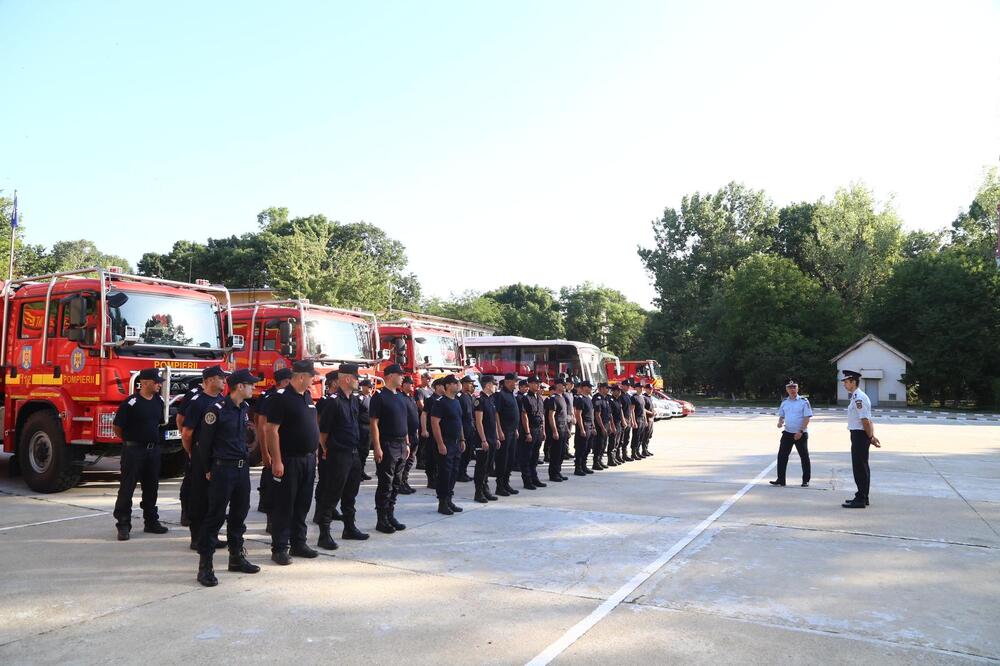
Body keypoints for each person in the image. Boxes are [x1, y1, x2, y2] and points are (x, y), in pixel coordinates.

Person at [196, 369, 262, 587]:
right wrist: (207, 468)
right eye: (251, 384)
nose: (254, 387)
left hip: (241, 470)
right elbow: (204, 444)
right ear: (240, 387)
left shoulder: (244, 408)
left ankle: (236, 557)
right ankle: (205, 566)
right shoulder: (216, 410)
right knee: (214, 517)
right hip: (222, 469)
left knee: (239, 515)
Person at [265, 360, 321, 565]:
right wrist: (277, 461)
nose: (313, 379)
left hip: (307, 459)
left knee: (303, 503)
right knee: (285, 505)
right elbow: (271, 431)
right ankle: (279, 547)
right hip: (289, 460)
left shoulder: (306, 396)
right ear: (300, 376)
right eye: (311, 376)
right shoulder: (281, 398)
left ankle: (299, 542)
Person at [316, 363, 370, 549]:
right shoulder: (333, 401)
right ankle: (324, 534)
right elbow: (323, 432)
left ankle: (349, 527)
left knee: (350, 494)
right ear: (347, 378)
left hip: (353, 453)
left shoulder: (353, 400)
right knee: (332, 494)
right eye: (356, 378)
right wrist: (325, 450)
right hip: (338, 454)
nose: (358, 382)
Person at [112, 368, 169, 541]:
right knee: (127, 488)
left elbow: (157, 424)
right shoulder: (131, 403)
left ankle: (151, 521)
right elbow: (117, 427)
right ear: (144, 383)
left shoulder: (158, 401)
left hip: (153, 451)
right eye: (156, 381)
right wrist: (132, 442)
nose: (159, 384)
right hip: (133, 451)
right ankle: (123, 524)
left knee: (151, 488)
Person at [181, 365, 228, 550]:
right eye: (220, 378)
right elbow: (187, 433)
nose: (224, 381)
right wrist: (192, 453)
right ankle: (197, 537)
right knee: (199, 497)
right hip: (201, 455)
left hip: (217, 455)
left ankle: (211, 535)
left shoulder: (222, 401)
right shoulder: (198, 402)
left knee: (214, 497)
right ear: (209, 380)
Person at [370, 364, 410, 534]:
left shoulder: (400, 396)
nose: (402, 378)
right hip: (387, 444)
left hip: (401, 444)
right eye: (399, 375)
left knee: (396, 483)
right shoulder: (379, 397)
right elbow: (374, 423)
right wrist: (377, 447)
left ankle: (390, 514)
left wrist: (407, 443)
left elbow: (404, 421)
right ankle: (381, 519)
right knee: (385, 483)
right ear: (390, 376)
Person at [255, 367, 292, 534]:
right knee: (272, 488)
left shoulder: (288, 397)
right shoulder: (270, 397)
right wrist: (265, 452)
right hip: (274, 450)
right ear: (284, 382)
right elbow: (262, 427)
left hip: (286, 450)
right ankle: (271, 521)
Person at [841, 370, 881, 508]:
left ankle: (861, 499)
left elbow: (865, 420)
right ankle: (863, 496)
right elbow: (869, 419)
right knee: (862, 466)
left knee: (859, 467)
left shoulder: (859, 398)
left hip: (860, 435)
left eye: (846, 382)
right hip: (860, 434)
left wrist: (870, 437)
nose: (844, 384)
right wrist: (871, 436)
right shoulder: (856, 396)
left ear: (853, 382)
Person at [431, 375, 467, 515]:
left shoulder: (456, 401)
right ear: (448, 385)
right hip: (445, 443)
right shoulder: (440, 402)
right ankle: (442, 502)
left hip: (456, 443)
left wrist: (462, 439)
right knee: (445, 474)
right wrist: (440, 444)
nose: (458, 385)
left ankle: (449, 499)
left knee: (453, 473)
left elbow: (460, 422)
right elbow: (435, 424)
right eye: (456, 383)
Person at [770, 379, 813, 488]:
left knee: (804, 457)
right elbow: (782, 415)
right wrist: (780, 422)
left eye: (794, 387)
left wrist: (801, 431)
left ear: (797, 389)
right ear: (787, 389)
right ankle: (781, 480)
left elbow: (807, 417)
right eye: (790, 387)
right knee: (782, 456)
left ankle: (805, 480)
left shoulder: (804, 401)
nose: (792, 389)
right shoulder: (784, 402)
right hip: (788, 433)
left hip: (800, 434)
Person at [313, 372, 340, 525]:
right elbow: (318, 423)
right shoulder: (324, 401)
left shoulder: (338, 400)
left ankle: (331, 509)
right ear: (333, 383)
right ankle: (319, 512)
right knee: (324, 480)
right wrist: (321, 446)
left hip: (335, 445)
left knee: (334, 480)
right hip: (325, 445)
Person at [493, 373, 522, 496]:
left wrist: (515, 429)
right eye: (514, 382)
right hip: (504, 432)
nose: (515, 384)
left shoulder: (511, 395)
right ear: (508, 382)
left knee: (510, 460)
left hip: (512, 431)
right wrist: (499, 430)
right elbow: (497, 414)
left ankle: (506, 483)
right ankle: (499, 486)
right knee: (502, 460)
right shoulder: (501, 395)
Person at [473, 375, 500, 503]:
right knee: (481, 466)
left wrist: (496, 437)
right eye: (494, 384)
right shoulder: (480, 400)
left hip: (492, 438)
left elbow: (493, 421)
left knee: (488, 466)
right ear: (488, 385)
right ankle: (478, 492)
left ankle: (486, 488)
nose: (496, 386)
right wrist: (483, 440)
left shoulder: (491, 399)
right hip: (483, 439)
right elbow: (479, 422)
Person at [518, 375, 547, 489]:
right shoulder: (525, 398)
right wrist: (527, 432)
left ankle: (534, 478)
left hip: (538, 429)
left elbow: (542, 415)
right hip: (530, 429)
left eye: (539, 383)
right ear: (529, 384)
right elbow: (524, 416)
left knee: (535, 456)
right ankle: (527, 480)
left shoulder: (539, 397)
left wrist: (543, 430)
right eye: (535, 383)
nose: (538, 385)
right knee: (527, 456)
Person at [420, 378, 445, 488]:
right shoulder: (431, 400)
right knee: (431, 456)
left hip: (443, 432)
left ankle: (438, 478)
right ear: (438, 387)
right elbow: (424, 414)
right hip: (432, 432)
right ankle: (431, 479)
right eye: (443, 385)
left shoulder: (444, 399)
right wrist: (424, 429)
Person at [545, 378, 570, 482]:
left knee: (561, 453)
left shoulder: (563, 398)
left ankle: (558, 471)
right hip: (557, 429)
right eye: (562, 385)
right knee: (555, 453)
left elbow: (564, 415)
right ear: (557, 385)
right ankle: (553, 474)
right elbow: (551, 416)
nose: (564, 386)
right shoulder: (553, 399)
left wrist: (567, 429)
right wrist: (554, 431)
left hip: (564, 428)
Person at [399, 376, 420, 494]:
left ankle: (405, 481)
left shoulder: (411, 398)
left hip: (414, 433)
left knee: (411, 460)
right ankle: (400, 483)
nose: (412, 386)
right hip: (406, 434)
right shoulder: (401, 398)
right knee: (404, 460)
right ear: (404, 385)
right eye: (410, 384)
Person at [573, 381, 596, 476]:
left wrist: (593, 426)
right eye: (589, 387)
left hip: (590, 425)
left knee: (588, 447)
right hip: (584, 425)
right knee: (581, 448)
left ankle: (584, 465)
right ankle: (578, 467)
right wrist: (582, 429)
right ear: (584, 387)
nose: (591, 389)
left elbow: (592, 414)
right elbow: (578, 415)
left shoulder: (589, 399)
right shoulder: (580, 399)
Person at [456, 376, 477, 483]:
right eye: (469, 383)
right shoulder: (459, 397)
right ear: (463, 384)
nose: (471, 385)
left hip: (470, 428)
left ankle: (463, 472)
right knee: (462, 453)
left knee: (468, 453)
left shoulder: (469, 396)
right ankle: (459, 473)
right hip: (463, 429)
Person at [591, 383, 613, 470]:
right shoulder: (597, 398)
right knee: (598, 444)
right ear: (601, 388)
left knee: (604, 444)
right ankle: (595, 462)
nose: (608, 390)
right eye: (606, 388)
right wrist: (603, 427)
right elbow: (597, 415)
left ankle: (600, 460)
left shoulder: (606, 398)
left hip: (606, 423)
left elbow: (609, 413)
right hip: (600, 425)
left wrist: (610, 426)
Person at [358, 378, 373, 481]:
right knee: (359, 451)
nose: (370, 389)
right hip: (361, 427)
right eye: (369, 387)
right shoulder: (359, 398)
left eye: (371, 387)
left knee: (365, 451)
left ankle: (362, 471)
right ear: (363, 387)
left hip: (369, 427)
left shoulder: (371, 398)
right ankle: (357, 472)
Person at [618, 380, 635, 462]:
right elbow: (620, 409)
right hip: (622, 420)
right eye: (626, 385)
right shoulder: (620, 395)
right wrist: (623, 420)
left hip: (628, 419)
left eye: (629, 385)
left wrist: (631, 419)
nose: (628, 387)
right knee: (620, 439)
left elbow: (631, 409)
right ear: (622, 386)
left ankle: (625, 454)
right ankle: (618, 455)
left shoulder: (628, 395)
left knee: (626, 438)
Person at [641, 383, 656, 457]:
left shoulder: (650, 397)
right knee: (645, 435)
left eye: (652, 389)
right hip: (646, 419)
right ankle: (643, 450)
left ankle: (646, 449)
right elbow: (643, 409)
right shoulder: (644, 397)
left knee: (649, 435)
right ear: (645, 389)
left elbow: (651, 408)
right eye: (649, 389)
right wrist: (650, 412)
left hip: (651, 419)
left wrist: (654, 412)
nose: (651, 390)